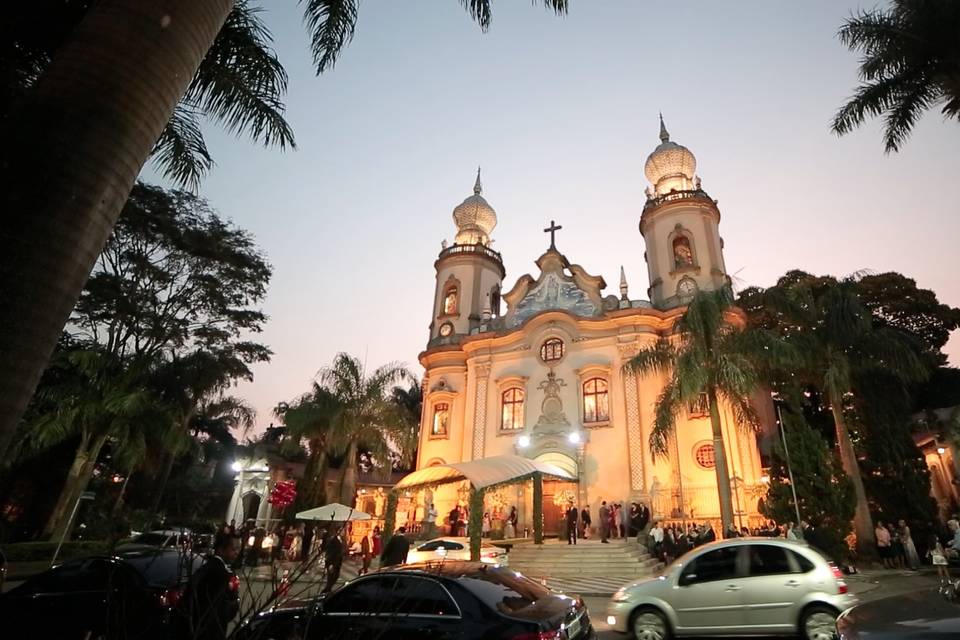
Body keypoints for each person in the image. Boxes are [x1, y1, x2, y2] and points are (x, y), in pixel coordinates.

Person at [176, 535, 240, 640]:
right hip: (210, 630)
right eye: (233, 549)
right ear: (221, 549)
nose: (237, 552)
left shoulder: (209, 566)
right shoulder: (220, 573)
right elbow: (223, 606)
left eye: (238, 549)